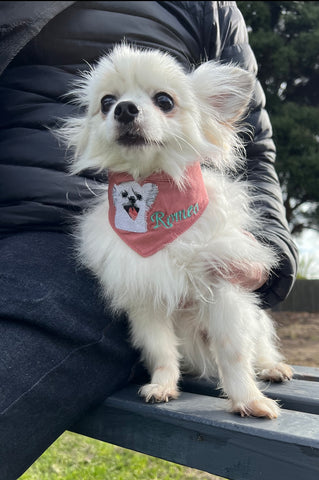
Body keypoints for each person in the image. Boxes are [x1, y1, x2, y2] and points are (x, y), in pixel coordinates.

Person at [0, 1, 298, 478]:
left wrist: (270, 258)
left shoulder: (210, 8)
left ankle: (254, 362)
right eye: (107, 103)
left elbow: (257, 154)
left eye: (163, 100)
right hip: (32, 230)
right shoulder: (104, 233)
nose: (127, 110)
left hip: (43, 246)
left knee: (227, 294)